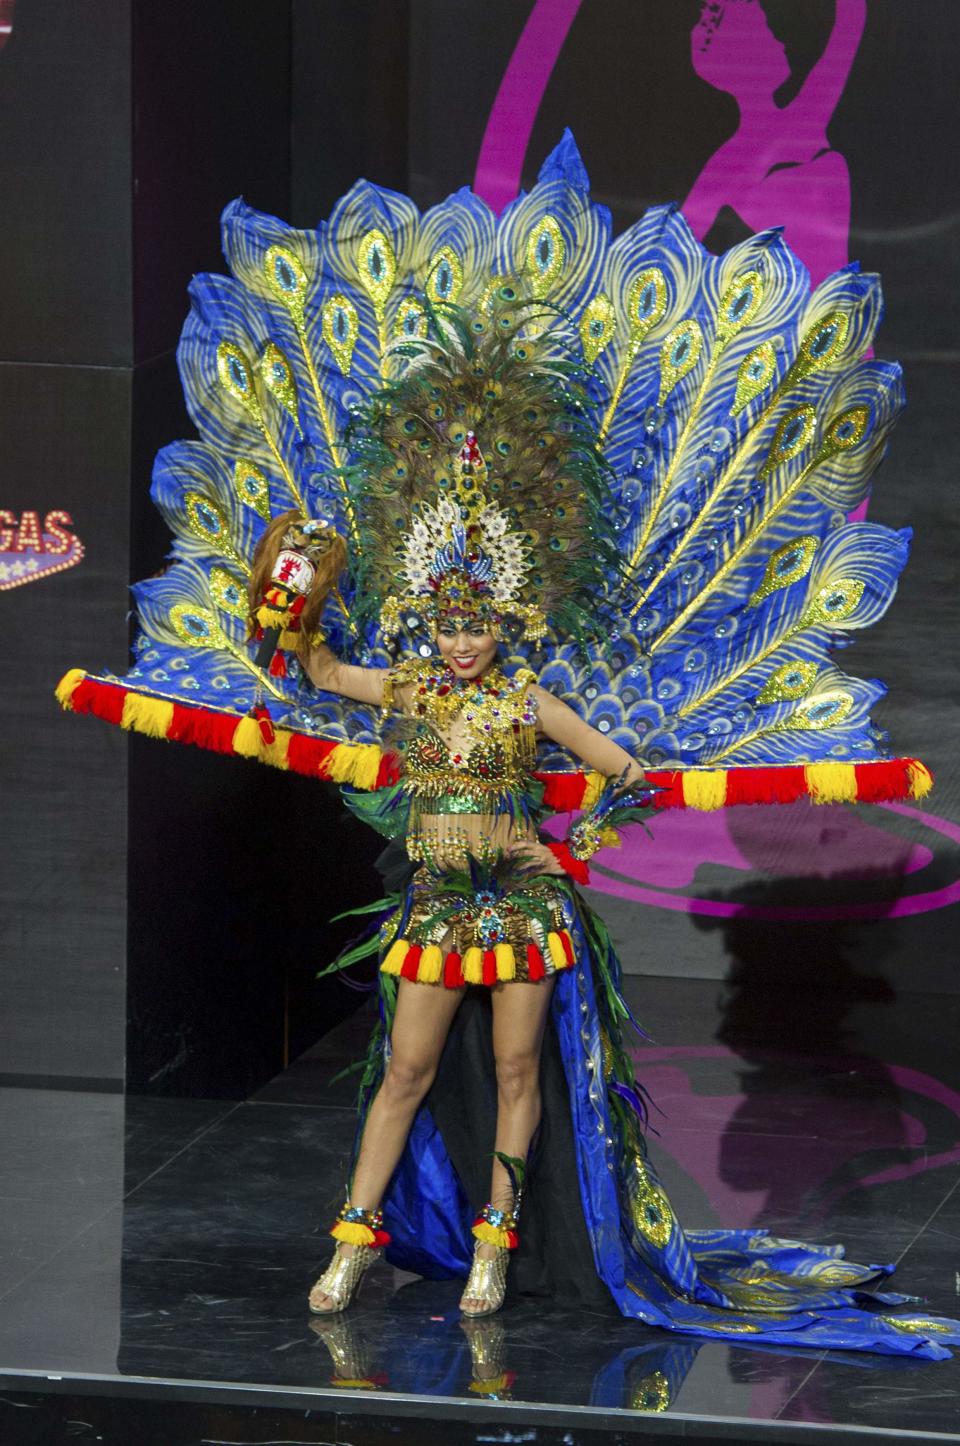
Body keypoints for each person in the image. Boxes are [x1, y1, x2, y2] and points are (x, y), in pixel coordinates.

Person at [57, 132, 959, 1357]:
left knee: (525, 1079)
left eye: (482, 624)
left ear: (510, 621)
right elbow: (314, 670)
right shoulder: (411, 688)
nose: (465, 640)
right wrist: (292, 598)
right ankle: (352, 1235)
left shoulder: (529, 700)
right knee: (405, 1076)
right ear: (430, 612)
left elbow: (624, 767)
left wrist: (566, 843)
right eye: (450, 619)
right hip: (434, 905)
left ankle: (493, 1243)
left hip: (520, 909)